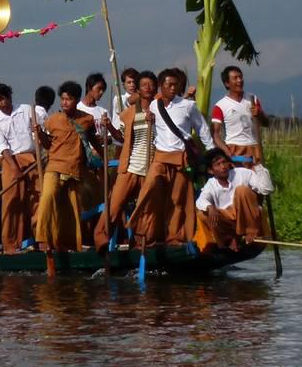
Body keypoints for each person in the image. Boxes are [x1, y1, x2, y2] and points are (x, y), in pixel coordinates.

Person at [141, 67, 211, 245]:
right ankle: (144, 231)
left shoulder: (188, 105)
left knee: (176, 199)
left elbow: (202, 129)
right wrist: (149, 118)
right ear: (161, 87)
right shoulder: (153, 106)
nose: (173, 88)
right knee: (150, 188)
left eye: (176, 85)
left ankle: (174, 236)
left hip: (180, 157)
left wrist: (211, 152)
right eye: (169, 85)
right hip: (160, 157)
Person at [34, 81, 96, 254]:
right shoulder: (52, 120)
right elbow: (47, 145)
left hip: (74, 169)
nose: (65, 103)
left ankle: (67, 244)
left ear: (76, 100)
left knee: (71, 207)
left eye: (68, 99)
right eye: (62, 99)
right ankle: (43, 239)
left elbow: (93, 141)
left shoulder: (87, 120)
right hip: (54, 166)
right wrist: (39, 134)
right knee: (48, 197)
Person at [101, 70, 158, 248]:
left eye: (151, 85)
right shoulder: (130, 113)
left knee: (146, 210)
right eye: (143, 85)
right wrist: (109, 126)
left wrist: (156, 120)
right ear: (138, 90)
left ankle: (142, 242)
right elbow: (122, 138)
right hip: (132, 166)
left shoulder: (161, 109)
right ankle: (101, 241)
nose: (148, 88)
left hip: (151, 168)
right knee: (114, 205)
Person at [0, 83, 36, 254]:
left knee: (35, 199)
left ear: (9, 96)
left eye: (1, 99)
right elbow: (2, 147)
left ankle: (35, 240)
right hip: (10, 160)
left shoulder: (26, 110)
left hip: (31, 158)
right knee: (11, 202)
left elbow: (38, 131)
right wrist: (14, 168)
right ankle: (10, 245)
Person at [195, 147, 274, 249]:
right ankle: (229, 238)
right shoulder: (211, 185)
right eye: (218, 165)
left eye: (224, 162)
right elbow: (200, 201)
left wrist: (258, 166)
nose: (223, 167)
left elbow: (266, 190)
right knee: (202, 214)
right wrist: (210, 207)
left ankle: (251, 232)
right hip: (230, 222)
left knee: (241, 190)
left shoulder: (242, 173)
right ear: (211, 170)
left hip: (248, 219)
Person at [211, 65, 265, 163]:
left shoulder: (253, 99)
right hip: (234, 150)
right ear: (227, 83)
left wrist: (259, 113)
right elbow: (215, 134)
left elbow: (266, 123)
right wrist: (226, 151)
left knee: (259, 177)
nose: (239, 80)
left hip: (254, 148)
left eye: (241, 77)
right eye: (235, 78)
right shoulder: (220, 106)